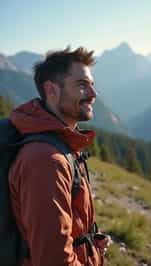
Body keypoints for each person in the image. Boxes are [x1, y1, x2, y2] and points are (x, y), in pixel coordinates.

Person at [8, 46, 109, 266]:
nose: (93, 94)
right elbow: (54, 260)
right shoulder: (46, 160)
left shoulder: (62, 143)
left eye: (92, 85)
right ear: (52, 90)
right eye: (82, 86)